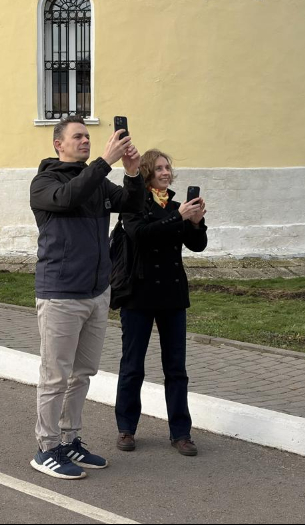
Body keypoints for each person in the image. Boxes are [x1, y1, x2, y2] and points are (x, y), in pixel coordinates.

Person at [29, 115, 144, 479]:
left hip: (96, 293)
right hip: (61, 294)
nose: (86, 141)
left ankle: (69, 441)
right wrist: (104, 164)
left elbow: (131, 204)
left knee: (82, 375)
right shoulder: (44, 182)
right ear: (58, 144)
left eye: (88, 137)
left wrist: (132, 173)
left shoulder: (97, 181)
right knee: (55, 377)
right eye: (77, 136)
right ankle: (45, 448)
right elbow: (68, 198)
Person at [114, 149, 207, 456]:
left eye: (168, 168)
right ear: (147, 174)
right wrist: (177, 217)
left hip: (172, 295)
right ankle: (126, 428)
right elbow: (142, 234)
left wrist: (195, 222)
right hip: (139, 295)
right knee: (132, 366)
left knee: (176, 368)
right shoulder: (134, 204)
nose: (167, 173)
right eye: (159, 169)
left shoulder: (177, 207)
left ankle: (181, 433)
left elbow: (197, 245)